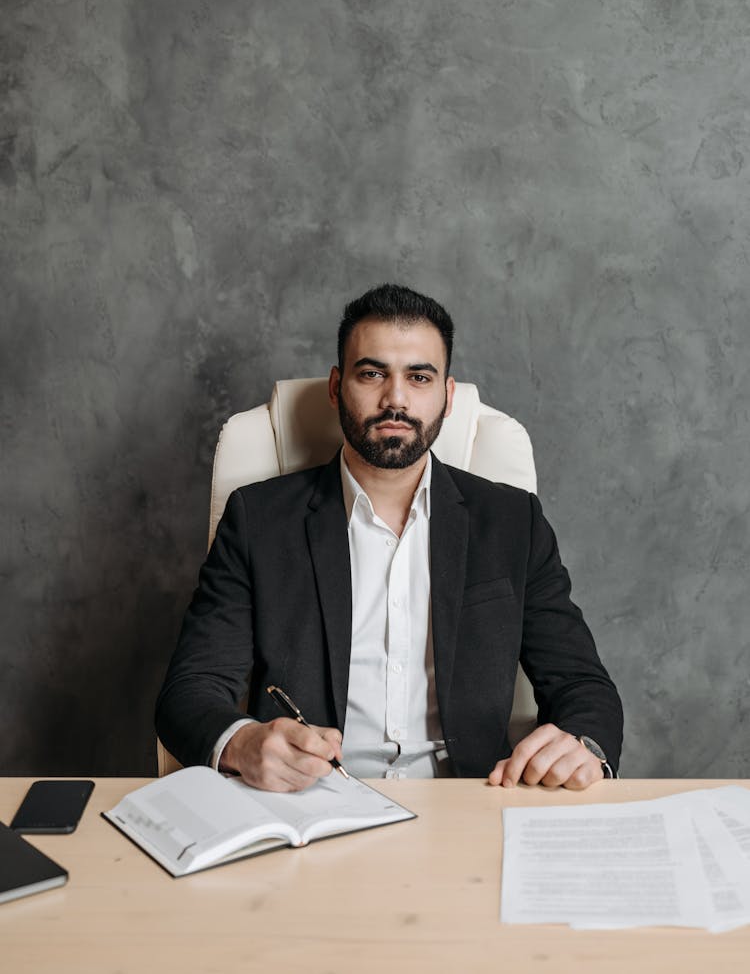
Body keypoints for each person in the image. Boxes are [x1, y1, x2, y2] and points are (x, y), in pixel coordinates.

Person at [156, 285, 623, 792]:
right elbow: (190, 691)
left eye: (419, 377)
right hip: (311, 805)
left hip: (471, 802)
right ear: (337, 387)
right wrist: (244, 743)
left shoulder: (512, 521)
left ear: (447, 396)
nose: (395, 398)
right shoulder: (258, 520)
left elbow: (583, 685)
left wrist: (582, 746)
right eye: (372, 373)